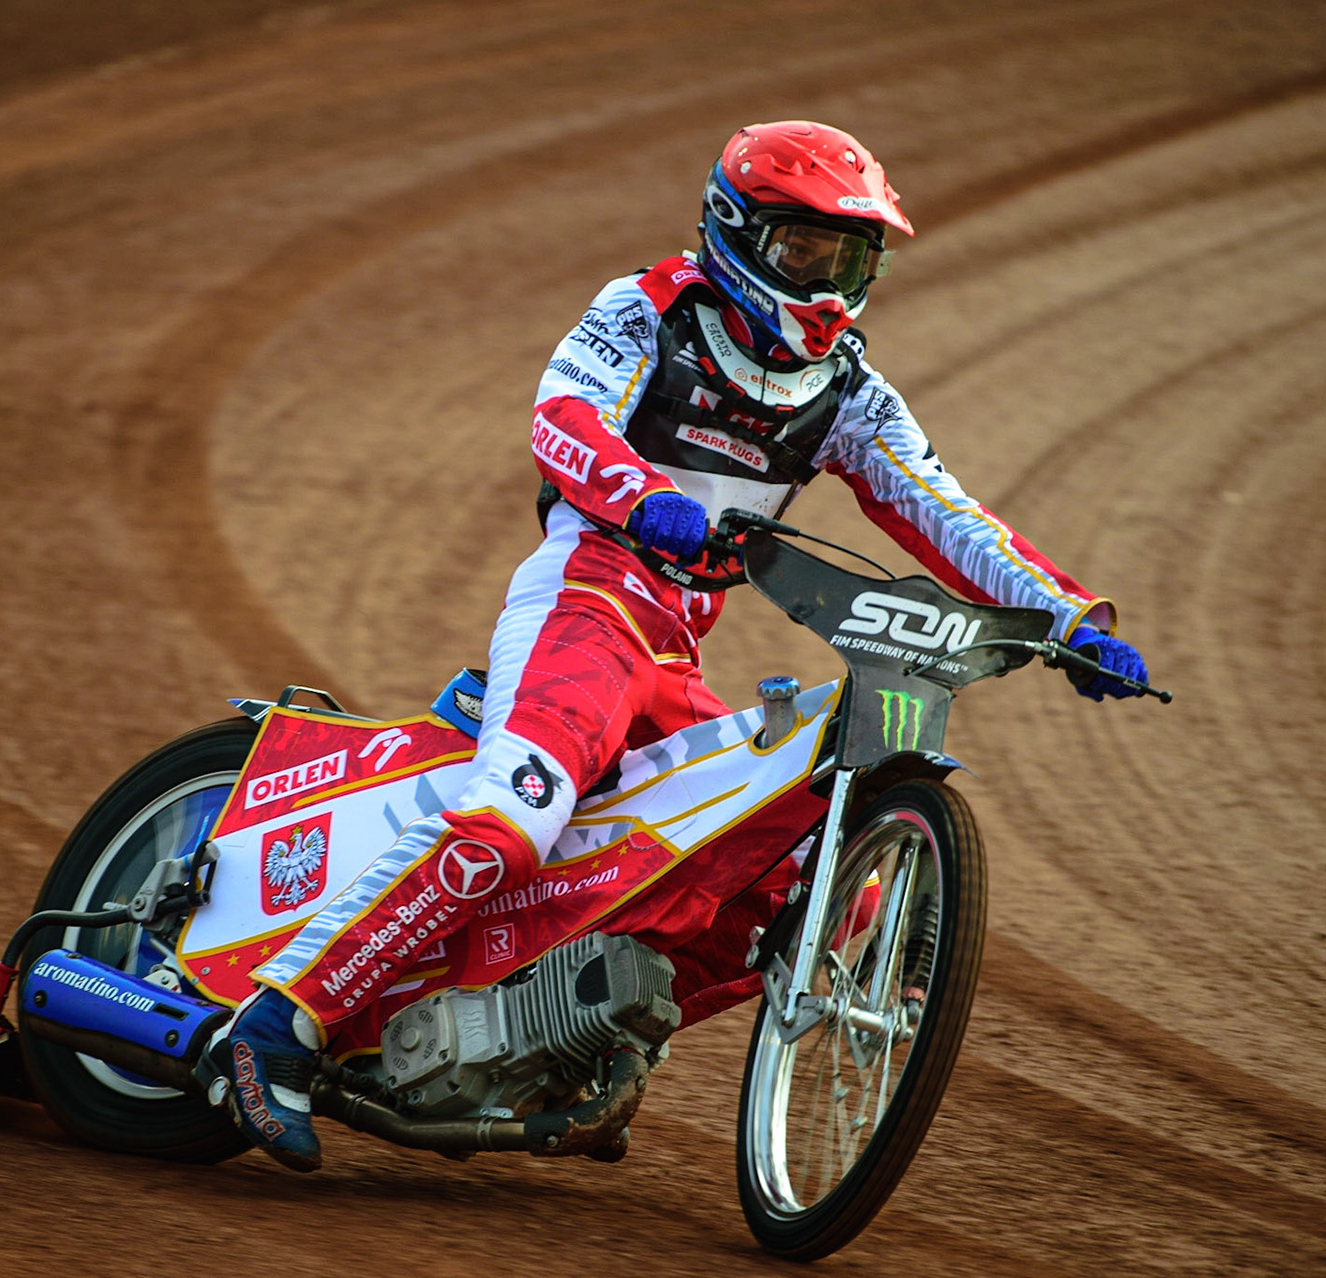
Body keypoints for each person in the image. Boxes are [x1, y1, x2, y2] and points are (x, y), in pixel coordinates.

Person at [200, 121, 1148, 1170]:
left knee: (777, 881)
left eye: (852, 256)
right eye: (806, 251)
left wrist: (1068, 618)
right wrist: (648, 504)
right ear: (737, 232)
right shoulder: (647, 308)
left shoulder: (851, 397)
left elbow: (948, 517)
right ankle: (279, 1022)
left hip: (672, 654)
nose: (830, 282)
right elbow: (561, 421)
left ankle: (563, 1046)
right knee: (515, 814)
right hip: (586, 605)